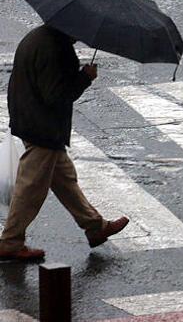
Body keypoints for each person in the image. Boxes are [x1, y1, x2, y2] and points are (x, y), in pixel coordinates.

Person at [0, 25, 128, 262]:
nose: (81, 37)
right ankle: (10, 242)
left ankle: (95, 227)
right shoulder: (53, 48)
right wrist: (84, 78)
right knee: (31, 186)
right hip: (42, 126)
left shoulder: (40, 37)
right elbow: (55, 96)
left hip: (32, 118)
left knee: (64, 179)